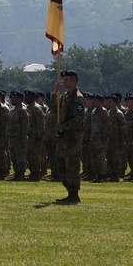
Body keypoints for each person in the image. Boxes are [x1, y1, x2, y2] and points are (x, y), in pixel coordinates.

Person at [51, 70, 85, 203]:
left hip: (73, 138)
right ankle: (69, 191)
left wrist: (63, 126)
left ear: (74, 81)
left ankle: (74, 194)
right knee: (62, 166)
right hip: (63, 138)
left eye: (67, 80)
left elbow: (78, 119)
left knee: (72, 166)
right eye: (64, 80)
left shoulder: (78, 98)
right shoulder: (64, 96)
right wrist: (55, 93)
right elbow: (53, 108)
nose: (64, 82)